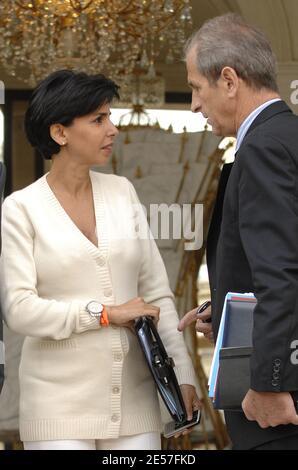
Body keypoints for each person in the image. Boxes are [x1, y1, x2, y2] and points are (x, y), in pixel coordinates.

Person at [0, 70, 200, 450]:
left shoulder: (122, 192)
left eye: (109, 116)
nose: (112, 129)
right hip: (57, 408)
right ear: (60, 133)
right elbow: (20, 309)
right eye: (98, 119)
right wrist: (105, 313)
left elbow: (156, 293)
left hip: (135, 399)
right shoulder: (20, 209)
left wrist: (183, 372)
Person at [178, 13, 298, 450]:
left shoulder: (264, 148)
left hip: (277, 404)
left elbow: (282, 273)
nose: (194, 103)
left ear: (229, 80)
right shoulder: (288, 137)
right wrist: (230, 310)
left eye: (196, 86)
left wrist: (268, 384)